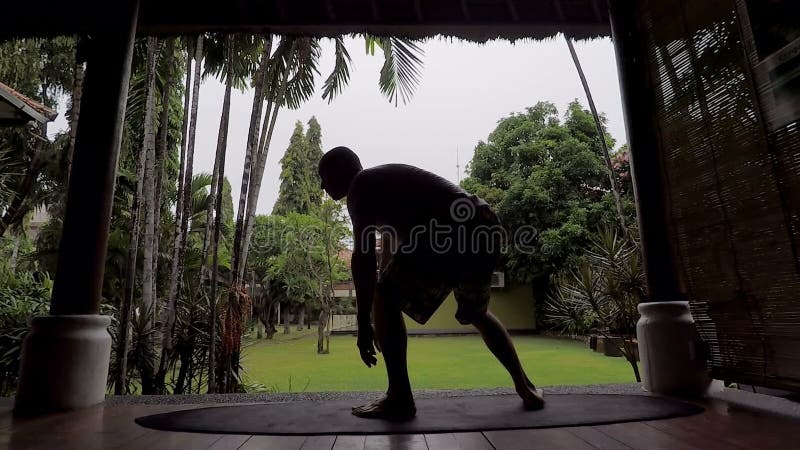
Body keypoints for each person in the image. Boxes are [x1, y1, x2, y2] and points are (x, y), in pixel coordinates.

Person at [318, 146, 544, 421]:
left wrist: (364, 324)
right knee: (475, 312)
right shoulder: (383, 192)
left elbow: (363, 258)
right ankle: (526, 387)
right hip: (483, 224)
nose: (321, 185)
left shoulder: (360, 187)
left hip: (450, 227)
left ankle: (399, 398)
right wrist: (380, 313)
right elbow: (388, 261)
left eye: (323, 177)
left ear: (339, 172)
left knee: (385, 296)